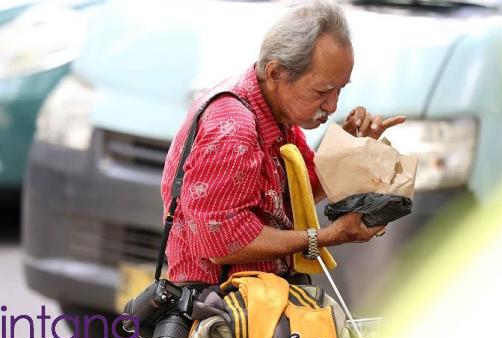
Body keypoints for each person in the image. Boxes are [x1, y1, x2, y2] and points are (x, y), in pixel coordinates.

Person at [161, 0, 406, 285]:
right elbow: (222, 241)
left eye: (340, 89)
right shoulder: (233, 129)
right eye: (322, 91)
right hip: (224, 310)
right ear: (276, 73)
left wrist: (352, 146)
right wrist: (327, 237)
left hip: (262, 301)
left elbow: (301, 190)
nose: (332, 105)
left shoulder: (275, 113)